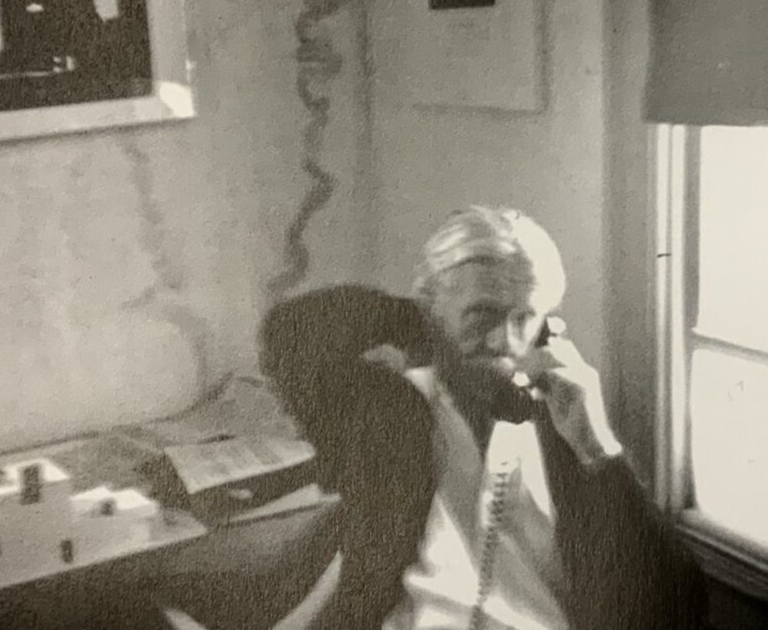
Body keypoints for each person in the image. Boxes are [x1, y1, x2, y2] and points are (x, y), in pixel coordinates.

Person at [260, 206, 707, 629]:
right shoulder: (394, 412)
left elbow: (675, 604)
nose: (505, 342)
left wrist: (597, 449)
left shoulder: (564, 424)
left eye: (523, 318)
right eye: (481, 314)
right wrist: (422, 325)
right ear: (430, 307)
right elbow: (289, 332)